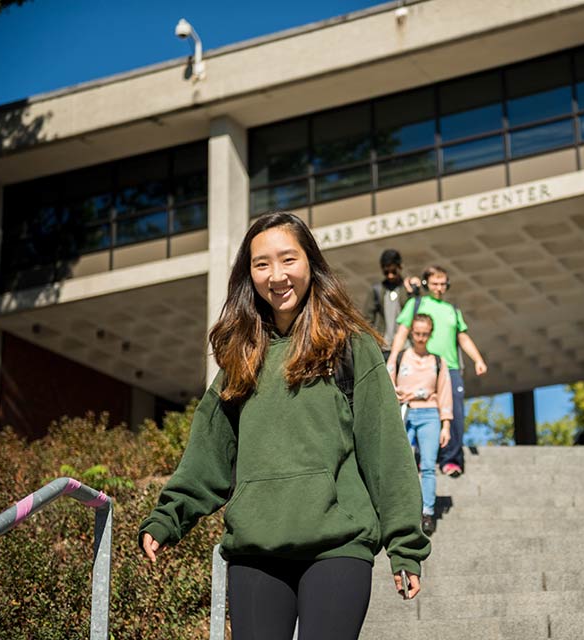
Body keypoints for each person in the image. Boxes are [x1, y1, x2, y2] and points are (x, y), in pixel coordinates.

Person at [138, 212, 430, 640]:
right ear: (248, 274)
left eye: (288, 259)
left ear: (310, 262)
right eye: (261, 264)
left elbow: (386, 449)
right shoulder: (241, 356)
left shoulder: (351, 346)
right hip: (256, 551)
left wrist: (405, 545)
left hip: (338, 547)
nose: (277, 275)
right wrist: (170, 516)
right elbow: (210, 449)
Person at [387, 265, 487, 477]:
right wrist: (393, 358)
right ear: (426, 284)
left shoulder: (452, 310)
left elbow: (463, 337)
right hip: (421, 367)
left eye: (443, 284)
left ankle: (451, 460)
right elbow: (402, 331)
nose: (439, 288)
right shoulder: (417, 304)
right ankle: (421, 458)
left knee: (455, 414)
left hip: (449, 367)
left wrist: (477, 359)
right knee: (418, 413)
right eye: (435, 283)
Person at [392, 313, 453, 535]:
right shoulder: (399, 358)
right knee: (401, 464)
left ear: (430, 334)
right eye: (417, 333)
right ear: (410, 333)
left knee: (428, 465)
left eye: (425, 334)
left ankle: (427, 511)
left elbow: (445, 392)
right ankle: (402, 510)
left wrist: (446, 424)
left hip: (429, 413)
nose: (420, 338)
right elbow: (387, 385)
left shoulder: (437, 361)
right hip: (405, 412)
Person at [362, 248, 413, 361]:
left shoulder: (408, 288)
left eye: (393, 271)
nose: (390, 275)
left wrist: (414, 291)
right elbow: (367, 319)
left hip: (407, 346)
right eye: (386, 272)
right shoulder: (377, 290)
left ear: (400, 267)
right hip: (384, 347)